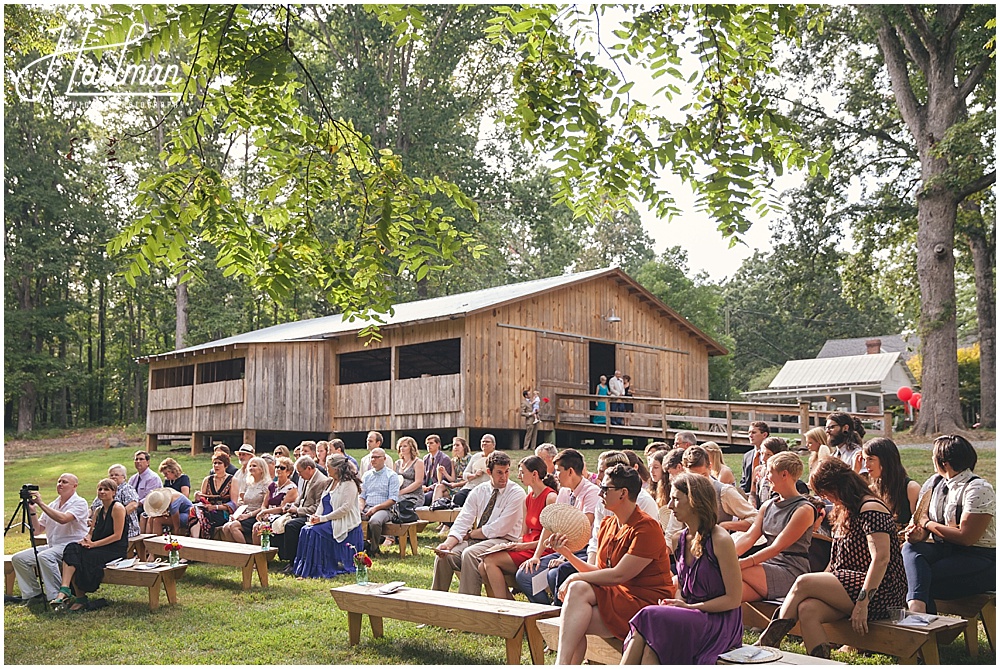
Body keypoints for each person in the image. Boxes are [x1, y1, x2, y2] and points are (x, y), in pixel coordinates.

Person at [756, 458, 906, 659]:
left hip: (881, 590)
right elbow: (836, 562)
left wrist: (863, 604)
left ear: (837, 485)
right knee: (808, 609)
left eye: (825, 492)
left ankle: (768, 642)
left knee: (803, 581)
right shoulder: (843, 510)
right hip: (849, 584)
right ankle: (820, 662)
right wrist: (821, 586)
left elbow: (881, 559)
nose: (825, 498)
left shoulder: (870, 508)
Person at [553, 464, 675, 664]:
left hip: (646, 604)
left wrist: (575, 576)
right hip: (619, 596)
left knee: (577, 593)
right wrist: (566, 553)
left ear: (623, 493)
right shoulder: (609, 524)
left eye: (605, 488)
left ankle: (561, 665)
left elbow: (619, 575)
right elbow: (602, 572)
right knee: (575, 621)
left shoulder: (647, 527)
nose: (599, 492)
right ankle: (563, 664)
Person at [622, 473, 743, 665]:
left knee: (648, 616)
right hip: (691, 614)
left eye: (676, 499)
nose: (670, 506)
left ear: (696, 502)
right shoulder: (678, 539)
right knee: (652, 645)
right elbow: (682, 586)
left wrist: (690, 608)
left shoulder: (721, 540)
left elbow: (734, 599)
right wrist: (676, 604)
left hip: (719, 621)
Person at [902, 434, 995, 614]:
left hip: (979, 556)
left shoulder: (978, 489)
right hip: (944, 550)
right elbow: (922, 527)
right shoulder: (933, 483)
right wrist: (916, 535)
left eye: (933, 456)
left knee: (920, 577)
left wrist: (927, 523)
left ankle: (925, 628)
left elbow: (966, 538)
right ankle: (918, 610)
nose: (931, 460)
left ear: (944, 463)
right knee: (910, 549)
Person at [432, 451, 525, 595]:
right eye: (499, 472)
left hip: (504, 540)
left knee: (470, 554)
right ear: (489, 472)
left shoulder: (516, 493)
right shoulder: (479, 490)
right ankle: (435, 603)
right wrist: (448, 544)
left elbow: (502, 527)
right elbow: (464, 519)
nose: (504, 477)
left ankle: (469, 606)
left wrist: (473, 534)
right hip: (478, 539)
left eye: (506, 472)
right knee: (445, 556)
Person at [516, 448, 600, 604]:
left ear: (570, 472)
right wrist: (536, 555)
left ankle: (560, 614)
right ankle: (544, 612)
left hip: (583, 551)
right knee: (524, 575)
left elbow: (582, 530)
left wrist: (564, 556)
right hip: (562, 549)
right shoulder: (564, 492)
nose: (555, 476)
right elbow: (550, 524)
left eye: (558, 471)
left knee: (555, 573)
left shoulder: (591, 493)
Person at [734, 452, 816, 602]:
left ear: (784, 474)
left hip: (790, 570)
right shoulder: (768, 505)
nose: (766, 478)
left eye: (769, 472)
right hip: (767, 567)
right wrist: (727, 556)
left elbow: (777, 547)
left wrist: (740, 563)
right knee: (728, 592)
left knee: (728, 572)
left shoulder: (804, 510)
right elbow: (749, 536)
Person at [479, 455, 558, 599]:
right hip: (526, 547)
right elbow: (523, 534)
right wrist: (512, 545)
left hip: (542, 550)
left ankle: (505, 608)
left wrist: (522, 547)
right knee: (482, 566)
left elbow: (551, 539)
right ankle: (506, 604)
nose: (519, 476)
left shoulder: (550, 498)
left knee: (490, 561)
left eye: (522, 472)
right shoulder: (527, 499)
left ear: (534, 474)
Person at [8, 474, 90, 605]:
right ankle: (34, 595)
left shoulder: (80, 502)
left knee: (45, 557)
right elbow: (37, 530)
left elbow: (63, 519)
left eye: (65, 482)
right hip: (53, 545)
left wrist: (40, 503)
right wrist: (33, 512)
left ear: (75, 486)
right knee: (19, 558)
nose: (60, 484)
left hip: (73, 547)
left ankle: (57, 596)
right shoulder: (53, 504)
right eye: (59, 481)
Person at [53, 478, 128, 611]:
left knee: (82, 558)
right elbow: (91, 532)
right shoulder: (98, 510)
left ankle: (80, 597)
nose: (102, 492)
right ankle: (64, 589)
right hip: (98, 546)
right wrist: (86, 540)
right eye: (100, 489)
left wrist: (94, 545)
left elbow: (117, 536)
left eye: (106, 489)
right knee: (72, 548)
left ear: (114, 492)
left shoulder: (118, 508)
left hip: (113, 549)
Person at [293, 454, 364, 578]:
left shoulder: (349, 484)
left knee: (315, 532)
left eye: (328, 466)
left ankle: (319, 568)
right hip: (327, 519)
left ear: (336, 468)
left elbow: (345, 509)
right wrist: (316, 516)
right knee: (306, 529)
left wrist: (322, 519)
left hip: (342, 521)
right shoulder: (330, 482)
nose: (326, 468)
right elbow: (322, 503)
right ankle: (305, 568)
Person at [277, 456, 331, 571]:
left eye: (300, 472)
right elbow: (300, 499)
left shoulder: (322, 481)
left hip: (312, 516)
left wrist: (297, 511)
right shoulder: (308, 478)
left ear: (309, 468)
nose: (299, 475)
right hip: (301, 512)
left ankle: (293, 562)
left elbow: (318, 507)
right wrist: (292, 506)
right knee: (277, 521)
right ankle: (283, 556)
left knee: (291, 526)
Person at [863, 438, 920, 532]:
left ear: (886, 460)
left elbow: (918, 527)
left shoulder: (911, 488)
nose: (866, 465)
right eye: (865, 460)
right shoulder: (872, 490)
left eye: (871, 459)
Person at [359, 447, 399, 555]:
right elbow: (362, 496)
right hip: (367, 506)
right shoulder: (367, 475)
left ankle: (374, 549)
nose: (373, 460)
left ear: (384, 459)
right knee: (353, 517)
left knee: (375, 521)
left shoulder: (391, 475)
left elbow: (393, 499)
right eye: (372, 457)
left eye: (377, 457)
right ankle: (359, 546)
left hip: (385, 509)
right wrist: (361, 507)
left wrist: (376, 508)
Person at [222, 456, 270, 543]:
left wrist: (249, 515)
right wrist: (236, 514)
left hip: (257, 515)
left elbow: (265, 506)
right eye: (250, 466)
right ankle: (234, 553)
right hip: (245, 513)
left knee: (234, 527)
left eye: (254, 466)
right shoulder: (249, 484)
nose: (251, 468)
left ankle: (245, 551)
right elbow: (244, 502)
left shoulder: (267, 485)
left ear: (262, 469)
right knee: (225, 527)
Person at [388, 436, 424, 548]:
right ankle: (391, 533)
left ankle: (393, 536)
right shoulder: (397, 463)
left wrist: (402, 492)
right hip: (399, 493)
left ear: (411, 447)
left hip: (414, 495)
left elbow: (418, 482)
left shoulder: (418, 462)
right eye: (400, 446)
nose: (402, 448)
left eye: (405, 446)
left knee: (397, 502)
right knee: (390, 502)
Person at [191, 453, 239, 539]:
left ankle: (198, 538)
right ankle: (195, 539)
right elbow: (202, 499)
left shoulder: (232, 480)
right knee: (195, 510)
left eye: (219, 463)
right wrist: (198, 498)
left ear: (225, 465)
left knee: (201, 514)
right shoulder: (207, 480)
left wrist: (216, 507)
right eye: (214, 463)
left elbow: (233, 503)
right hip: (206, 509)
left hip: (223, 512)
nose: (216, 465)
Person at [252, 455, 298, 541]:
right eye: (277, 467)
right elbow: (264, 504)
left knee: (262, 527)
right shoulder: (272, 485)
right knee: (255, 527)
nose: (278, 469)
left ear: (288, 472)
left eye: (282, 468)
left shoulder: (291, 488)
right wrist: (265, 513)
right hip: (268, 515)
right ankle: (257, 553)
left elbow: (282, 508)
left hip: (280, 517)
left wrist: (266, 512)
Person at [91, 464, 140, 538]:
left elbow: (133, 505)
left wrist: (114, 518)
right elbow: (93, 507)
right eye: (111, 475)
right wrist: (88, 518)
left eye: (116, 475)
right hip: (103, 528)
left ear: (124, 477)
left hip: (125, 529)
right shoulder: (104, 490)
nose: (113, 477)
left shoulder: (126, 489)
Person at [452, 434, 495, 506]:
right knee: (458, 497)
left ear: (493, 445)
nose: (484, 443)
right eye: (483, 441)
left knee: (471, 497)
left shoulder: (496, 457)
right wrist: (474, 475)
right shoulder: (476, 456)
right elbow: (465, 474)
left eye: (487, 442)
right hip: (471, 486)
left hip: (485, 488)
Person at [750, 437, 790, 509]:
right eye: (762, 454)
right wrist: (752, 503)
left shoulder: (785, 474)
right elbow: (752, 493)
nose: (763, 459)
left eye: (768, 455)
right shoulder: (758, 470)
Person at [129, 450, 162, 532]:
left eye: (141, 459)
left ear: (147, 462)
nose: (138, 461)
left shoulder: (153, 478)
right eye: (136, 459)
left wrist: (136, 504)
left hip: (148, 506)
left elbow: (150, 496)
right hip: (133, 505)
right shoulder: (133, 478)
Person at [431, 437, 469, 504]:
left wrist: (456, 484)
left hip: (465, 485)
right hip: (454, 485)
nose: (455, 447)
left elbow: (472, 479)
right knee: (439, 486)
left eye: (457, 445)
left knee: (445, 494)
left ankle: (439, 508)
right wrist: (444, 472)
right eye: (454, 445)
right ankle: (434, 506)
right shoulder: (453, 461)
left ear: (463, 446)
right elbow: (452, 479)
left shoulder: (470, 459)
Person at [740, 422, 770, 494]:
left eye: (753, 432)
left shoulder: (771, 454)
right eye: (749, 433)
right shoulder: (747, 456)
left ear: (764, 435)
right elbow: (744, 481)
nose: (750, 435)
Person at [422, 434, 452, 506]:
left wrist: (430, 487)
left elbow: (443, 479)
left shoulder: (444, 459)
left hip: (436, 487)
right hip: (425, 488)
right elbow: (423, 476)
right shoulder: (426, 458)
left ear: (438, 444)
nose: (429, 445)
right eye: (427, 443)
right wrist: (422, 486)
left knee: (425, 498)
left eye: (431, 443)